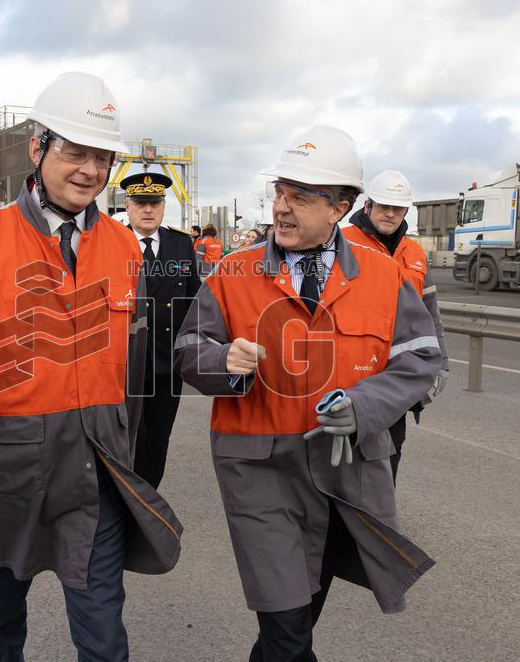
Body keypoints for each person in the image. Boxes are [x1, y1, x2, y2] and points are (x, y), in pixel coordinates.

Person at [0, 71, 182, 661]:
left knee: (104, 641)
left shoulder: (126, 249)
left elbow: (137, 374)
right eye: (75, 152)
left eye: (101, 157)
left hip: (93, 475)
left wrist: (137, 465)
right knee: (1, 633)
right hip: (2, 474)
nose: (90, 170)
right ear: (38, 148)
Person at [175, 125, 442, 661]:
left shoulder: (384, 277)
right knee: (287, 627)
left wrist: (364, 406)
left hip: (345, 475)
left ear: (340, 207)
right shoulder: (233, 272)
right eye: (279, 192)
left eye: (300, 196)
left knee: (298, 619)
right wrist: (221, 362)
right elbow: (186, 349)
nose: (282, 208)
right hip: (259, 470)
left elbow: (422, 358)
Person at [343, 170, 450, 482]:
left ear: (406, 211)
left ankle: (378, 526)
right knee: (343, 459)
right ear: (367, 205)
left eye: (397, 208)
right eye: (383, 206)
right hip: (353, 375)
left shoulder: (414, 254)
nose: (390, 213)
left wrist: (439, 366)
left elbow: (431, 316)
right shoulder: (340, 244)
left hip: (397, 377)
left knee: (389, 454)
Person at [120, 172, 201, 488]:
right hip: (125, 364)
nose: (148, 210)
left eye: (154, 203)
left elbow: (194, 300)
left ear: (163, 206)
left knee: (156, 439)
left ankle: (146, 501)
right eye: (140, 204)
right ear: (128, 206)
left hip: (167, 364)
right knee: (122, 436)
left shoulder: (180, 244)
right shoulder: (113, 243)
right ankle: (121, 499)